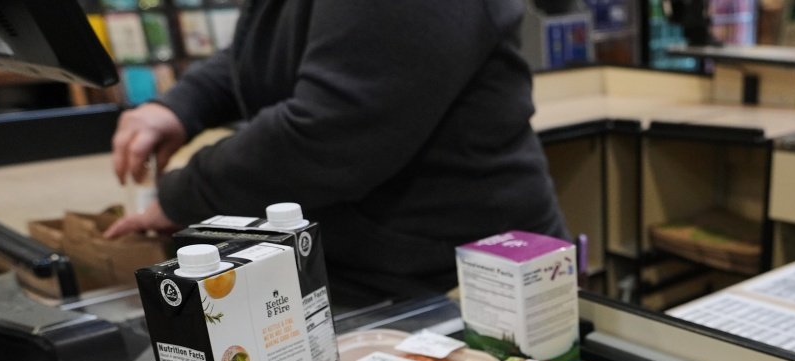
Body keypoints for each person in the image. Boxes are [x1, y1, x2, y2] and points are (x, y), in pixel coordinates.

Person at [106, 0, 567, 292]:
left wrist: (183, 196)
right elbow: (276, 48)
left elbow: (327, 134)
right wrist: (182, 105)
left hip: (465, 284)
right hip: (385, 264)